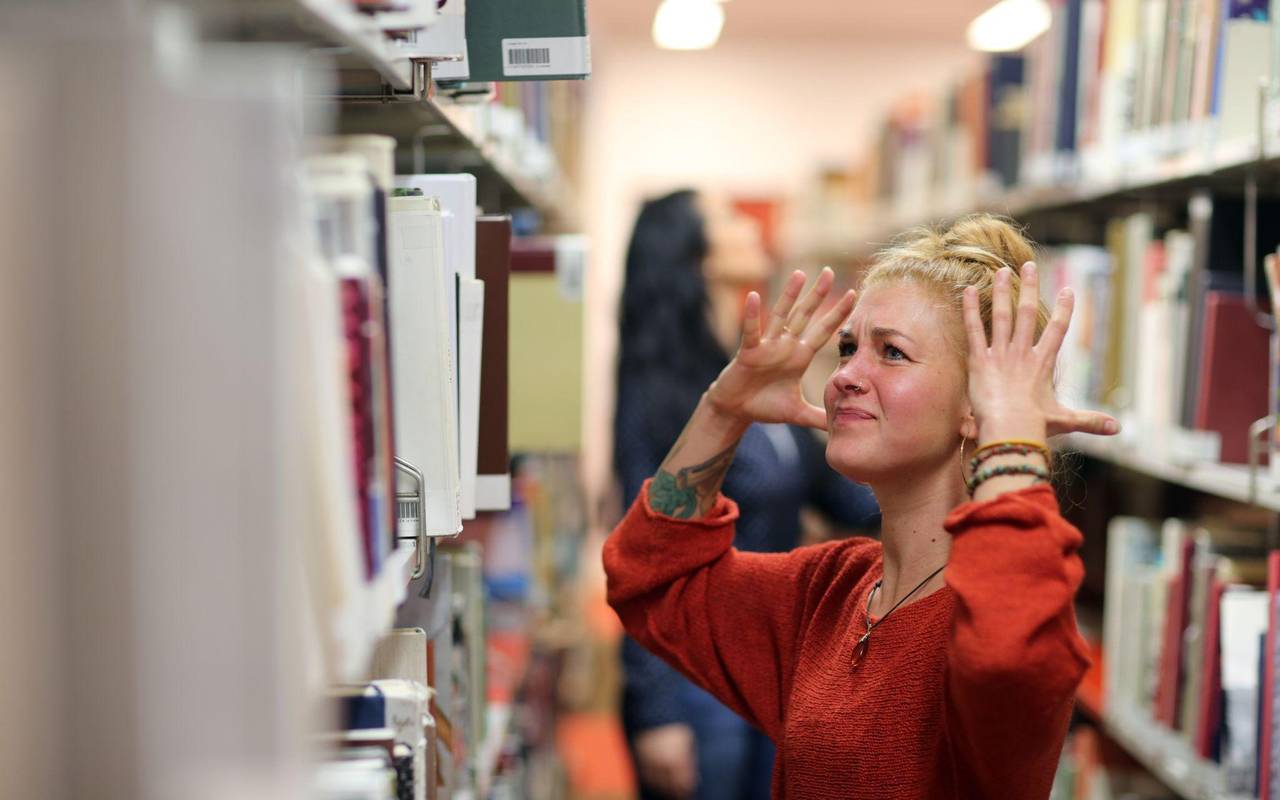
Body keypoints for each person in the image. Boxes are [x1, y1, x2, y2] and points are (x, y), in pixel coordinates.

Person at [604, 214, 1119, 799]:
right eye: (848, 348)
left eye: (892, 353)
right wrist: (725, 409)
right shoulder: (830, 590)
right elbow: (648, 575)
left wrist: (1011, 437)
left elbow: (1004, 657)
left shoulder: (1004, 613)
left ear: (978, 403)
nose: (847, 373)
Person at [614, 189, 880, 800]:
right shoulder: (664, 390)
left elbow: (843, 499)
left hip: (777, 663)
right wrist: (657, 714)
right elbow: (647, 550)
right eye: (726, 216)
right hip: (695, 678)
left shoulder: (758, 370)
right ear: (694, 252)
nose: (748, 219)